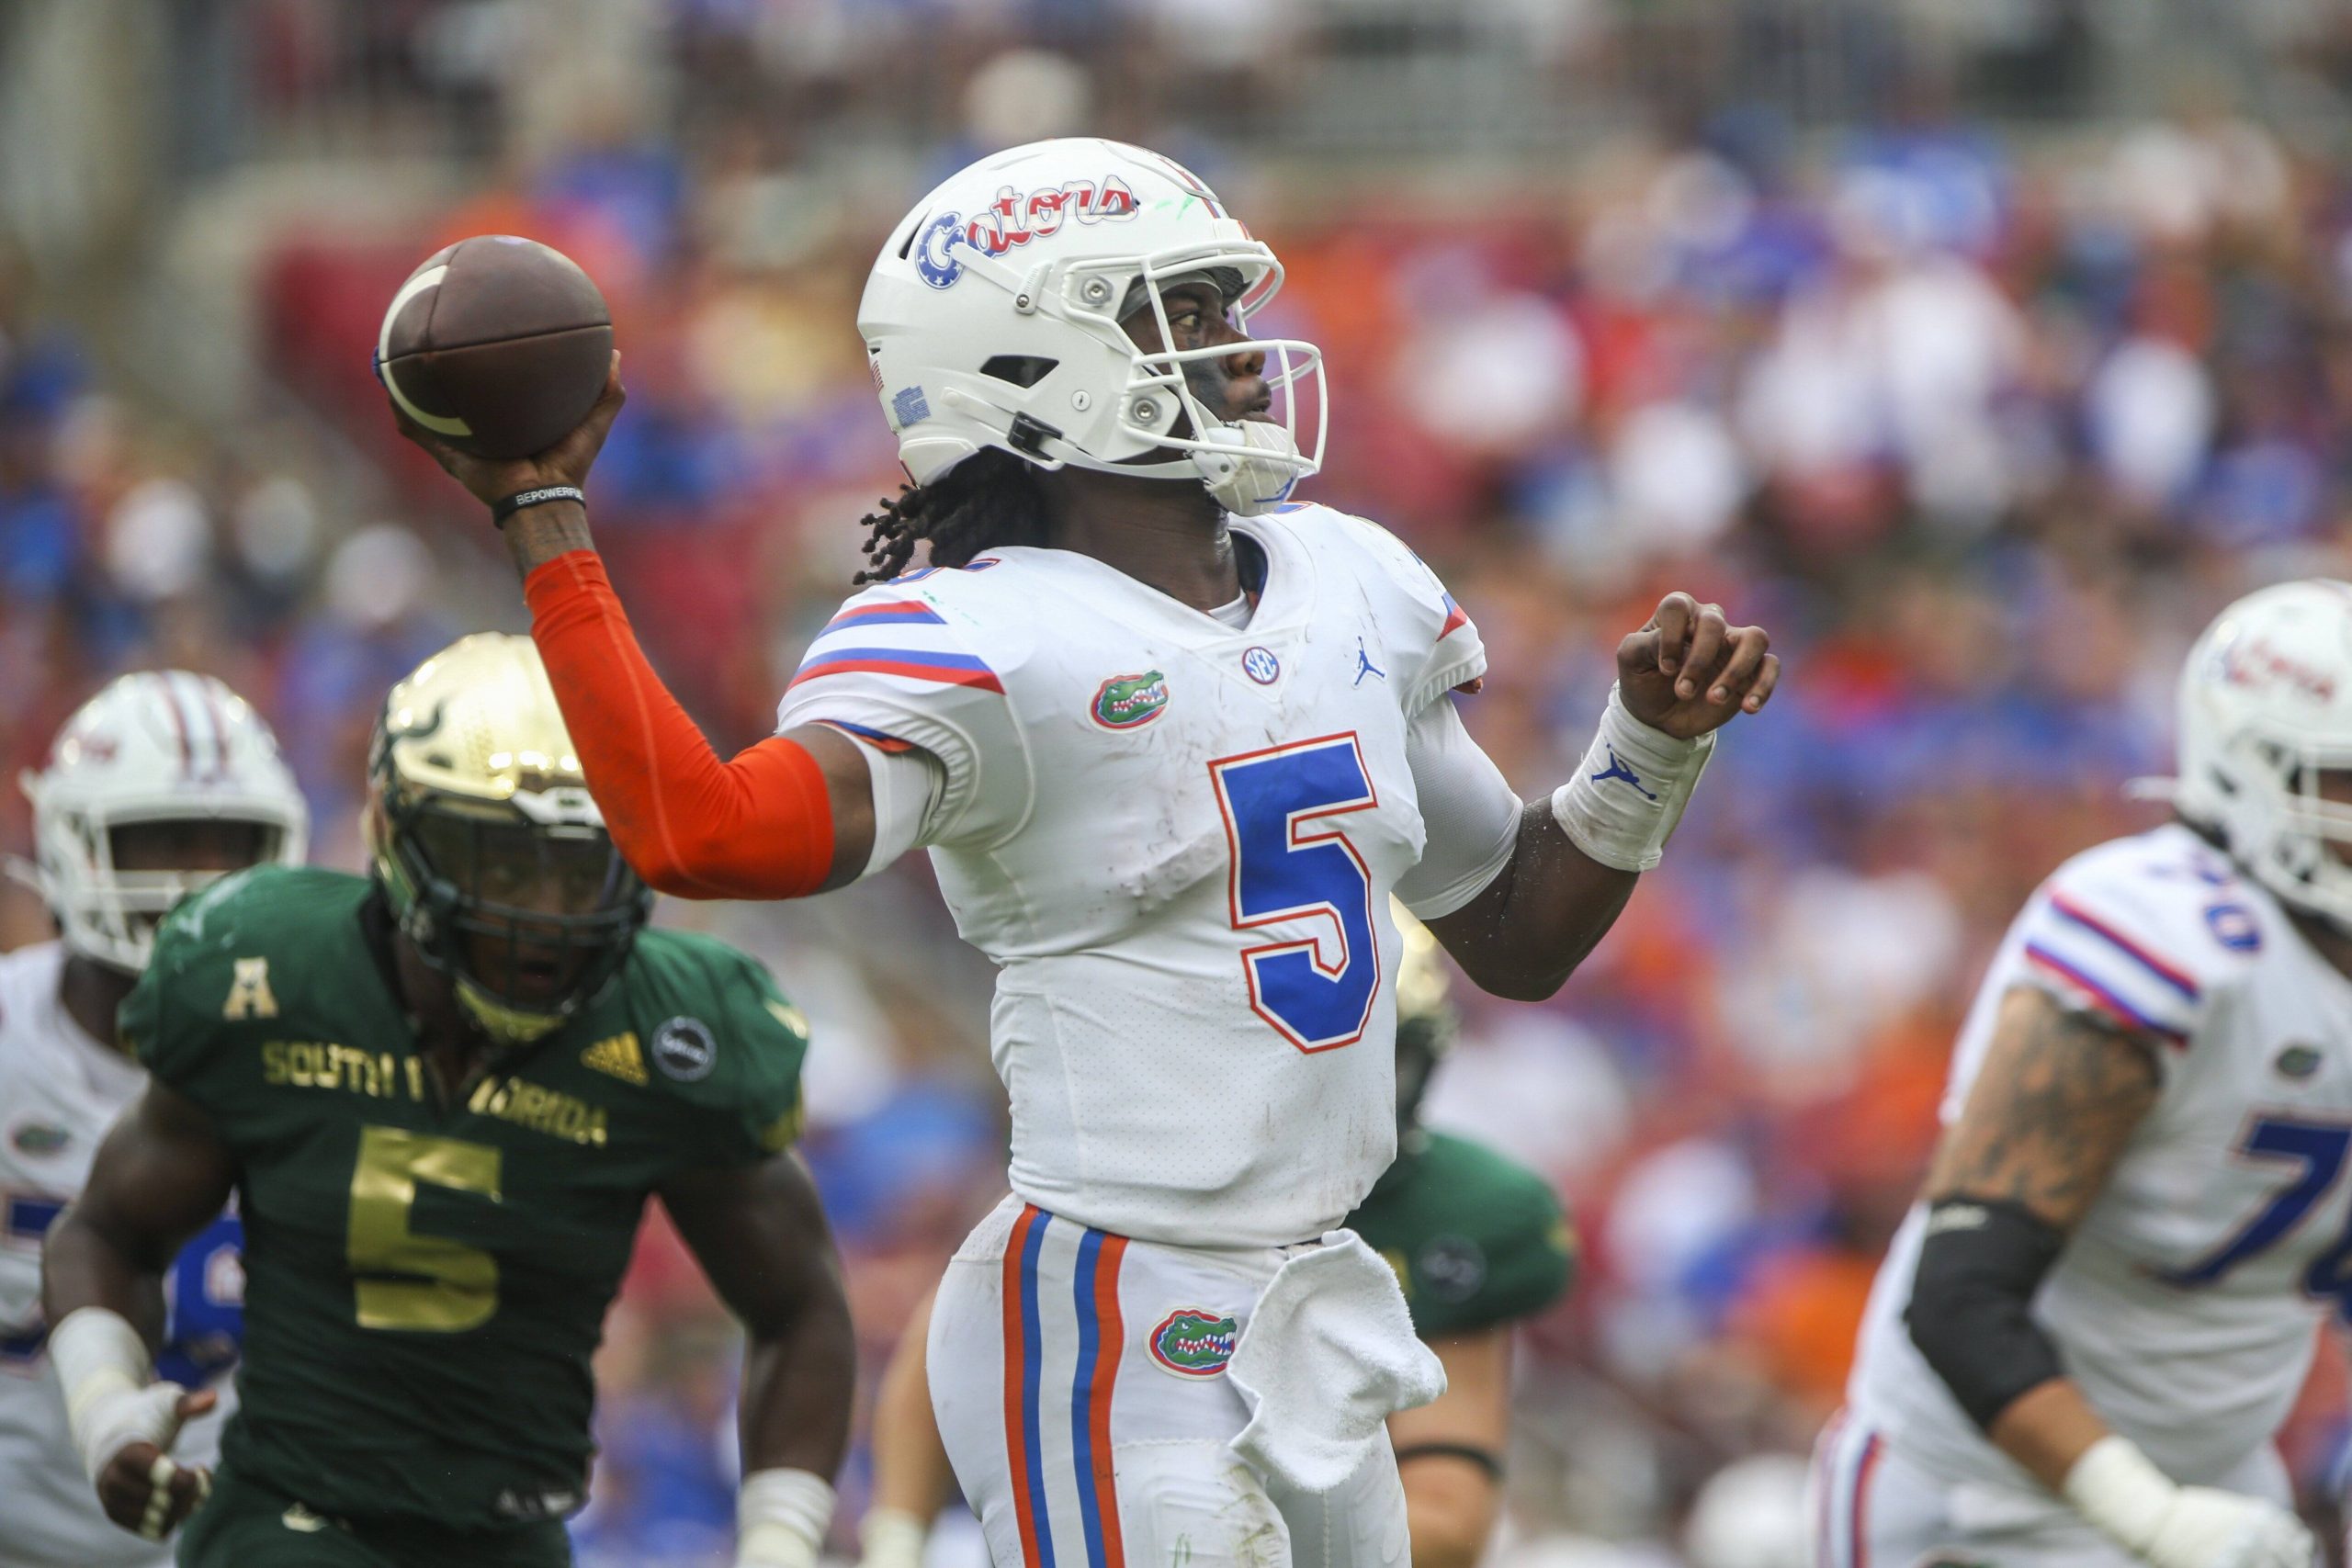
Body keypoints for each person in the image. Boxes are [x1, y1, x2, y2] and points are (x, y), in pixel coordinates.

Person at [395, 137, 1777, 1568]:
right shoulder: (980, 635)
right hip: (1115, 1313)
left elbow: (1515, 928)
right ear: (1028, 362)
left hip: (1317, 1304)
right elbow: (705, 830)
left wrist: (1647, 746)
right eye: (1178, 312)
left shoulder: (1347, 581)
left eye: (1225, 309)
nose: (1240, 349)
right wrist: (545, 520)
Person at [39, 634, 854, 1568]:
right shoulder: (268, 974)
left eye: (579, 864)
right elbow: (105, 1231)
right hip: (293, 1521)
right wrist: (106, 1410)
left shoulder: (676, 1031)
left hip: (515, 1538)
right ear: (396, 832)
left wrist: (779, 1546)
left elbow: (799, 1308)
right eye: (504, 864)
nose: (546, 911)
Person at [1824, 580, 2352, 1568]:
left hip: (2221, 1482)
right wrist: (2151, 1520)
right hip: (1982, 1492)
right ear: (2253, 774)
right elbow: (1959, 1299)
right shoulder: (2164, 940)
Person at [854, 909, 1575, 1568]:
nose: (1328, 1090)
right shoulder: (1141, 1157)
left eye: (1365, 1057)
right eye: (1302, 1055)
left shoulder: (1449, 1215)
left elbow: (1446, 1520)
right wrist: (896, 1539)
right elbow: (968, 1327)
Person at [0, 671, 309, 1568]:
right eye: (162, 840)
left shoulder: (323, 1054)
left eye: (230, 845)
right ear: (74, 848)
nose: (199, 881)